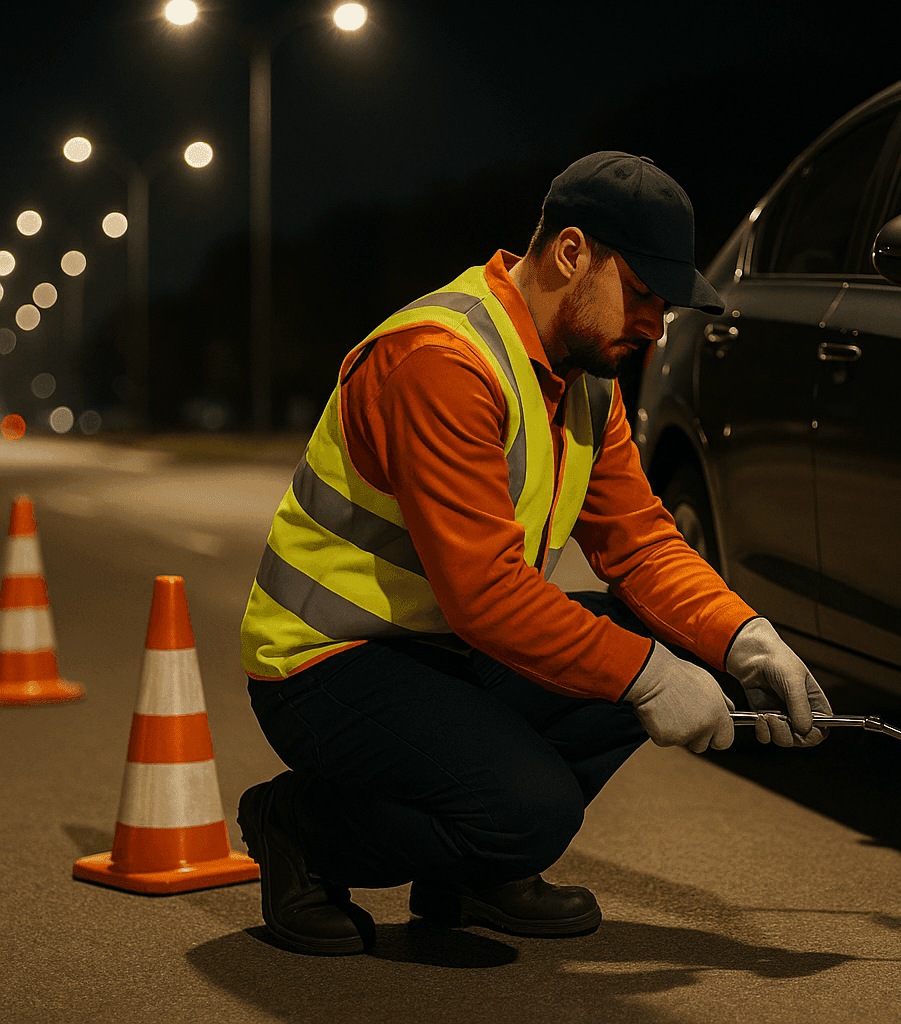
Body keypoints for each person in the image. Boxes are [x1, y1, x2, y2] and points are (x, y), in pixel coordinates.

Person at [235, 151, 833, 957]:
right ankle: (299, 830)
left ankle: (472, 873)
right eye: (646, 295)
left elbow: (642, 541)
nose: (657, 325)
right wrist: (649, 673)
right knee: (531, 812)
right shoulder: (441, 360)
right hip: (328, 662)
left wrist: (743, 637)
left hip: (443, 648)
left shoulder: (583, 375)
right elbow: (486, 595)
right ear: (571, 253)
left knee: (676, 641)